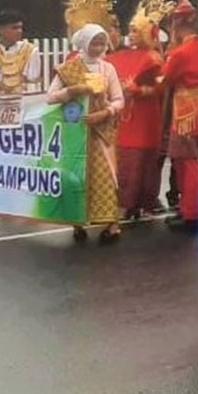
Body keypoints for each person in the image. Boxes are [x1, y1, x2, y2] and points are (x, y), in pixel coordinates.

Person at [48, 23, 125, 244]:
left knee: (106, 176)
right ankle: (77, 223)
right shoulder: (69, 69)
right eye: (94, 43)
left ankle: (111, 224)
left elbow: (119, 99)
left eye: (102, 43)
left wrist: (105, 113)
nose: (99, 47)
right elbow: (50, 97)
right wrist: (72, 91)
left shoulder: (107, 69)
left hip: (101, 131)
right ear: (84, 43)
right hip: (76, 131)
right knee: (76, 177)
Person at [108, 0, 172, 221]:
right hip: (128, 116)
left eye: (136, 30)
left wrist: (136, 90)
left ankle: (144, 200)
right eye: (131, 30)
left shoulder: (154, 58)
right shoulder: (120, 56)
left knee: (143, 158)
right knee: (126, 158)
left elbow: (160, 89)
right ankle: (126, 201)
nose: (131, 34)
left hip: (146, 117)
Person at [159, 0, 198, 232]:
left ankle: (192, 212)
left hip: (184, 115)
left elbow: (165, 78)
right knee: (187, 161)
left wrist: (170, 53)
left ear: (178, 26)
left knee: (185, 163)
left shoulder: (181, 53)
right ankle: (186, 207)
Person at [0, 9, 43, 95]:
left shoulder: (31, 51)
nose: (19, 31)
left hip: (22, 99)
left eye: (20, 27)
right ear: (1, 29)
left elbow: (33, 82)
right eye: (14, 28)